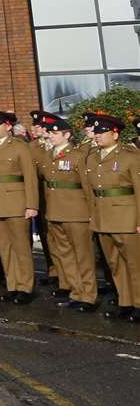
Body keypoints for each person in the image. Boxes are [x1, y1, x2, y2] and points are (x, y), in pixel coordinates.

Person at [36, 112, 96, 312]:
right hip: (54, 212)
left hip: (77, 212)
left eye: (55, 133)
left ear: (67, 135)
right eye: (50, 133)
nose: (51, 136)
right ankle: (76, 292)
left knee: (83, 256)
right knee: (65, 256)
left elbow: (88, 187)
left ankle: (88, 296)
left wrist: (92, 212)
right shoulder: (47, 155)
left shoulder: (78, 156)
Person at [0, 108, 39, 303]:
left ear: (8, 126)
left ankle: (25, 287)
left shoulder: (20, 146)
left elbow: (30, 178)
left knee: (21, 247)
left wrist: (31, 205)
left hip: (16, 202)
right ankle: (12, 284)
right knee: (3, 247)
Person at [83, 111, 138, 323]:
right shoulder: (93, 157)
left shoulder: (130, 157)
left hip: (126, 217)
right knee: (115, 264)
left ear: (115, 134)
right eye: (95, 132)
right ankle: (126, 302)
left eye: (102, 131)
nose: (97, 135)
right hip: (103, 217)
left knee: (135, 264)